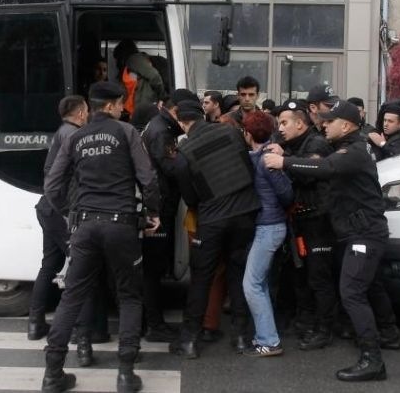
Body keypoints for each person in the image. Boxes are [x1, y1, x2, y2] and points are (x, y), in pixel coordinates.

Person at [264, 99, 398, 382]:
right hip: (359, 232)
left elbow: (325, 168)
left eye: (330, 121)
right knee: (369, 285)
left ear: (346, 125)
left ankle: (373, 360)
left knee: (351, 292)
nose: (324, 124)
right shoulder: (348, 147)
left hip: (365, 234)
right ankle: (389, 334)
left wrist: (283, 162)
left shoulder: (354, 150)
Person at [42, 81, 161, 393]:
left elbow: (53, 186)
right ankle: (125, 373)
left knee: (72, 296)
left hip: (85, 225)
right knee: (129, 296)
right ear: (111, 105)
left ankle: (53, 373)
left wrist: (72, 212)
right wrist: (153, 212)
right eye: (121, 104)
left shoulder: (75, 137)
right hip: (121, 224)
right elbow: (147, 177)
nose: (123, 108)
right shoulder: (126, 132)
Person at [169, 100, 260, 359]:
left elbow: (190, 197)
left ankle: (189, 340)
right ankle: (241, 336)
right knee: (238, 276)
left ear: (182, 122)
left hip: (212, 220)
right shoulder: (231, 132)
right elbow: (247, 168)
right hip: (244, 215)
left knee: (201, 278)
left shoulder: (184, 151)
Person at [274, 99, 338, 349]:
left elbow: (310, 172)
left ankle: (324, 329)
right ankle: (305, 320)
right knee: (300, 275)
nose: (280, 128)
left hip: (319, 221)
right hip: (299, 221)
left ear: (300, 124)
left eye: (284, 123)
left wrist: (285, 159)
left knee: (319, 277)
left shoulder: (317, 144)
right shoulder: (289, 145)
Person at [139, 88, 200, 343]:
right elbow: (172, 168)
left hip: (160, 204)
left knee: (154, 267)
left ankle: (151, 321)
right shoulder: (161, 131)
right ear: (175, 111)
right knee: (152, 269)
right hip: (158, 208)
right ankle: (153, 324)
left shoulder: (161, 126)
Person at [27, 95, 90, 342]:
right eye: (87, 111)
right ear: (81, 114)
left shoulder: (61, 131)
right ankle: (77, 330)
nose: (89, 115)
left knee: (50, 264)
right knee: (79, 266)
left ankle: (35, 323)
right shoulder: (73, 136)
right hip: (59, 210)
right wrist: (67, 213)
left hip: (46, 207)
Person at [241, 110, 293, 357]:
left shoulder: (265, 159)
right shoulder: (263, 156)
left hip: (269, 227)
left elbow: (287, 194)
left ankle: (269, 341)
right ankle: (266, 337)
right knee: (259, 283)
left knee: (251, 284)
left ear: (248, 134)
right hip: (269, 226)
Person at [113, 39, 167, 118]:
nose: (116, 62)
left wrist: (163, 96)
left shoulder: (134, 60)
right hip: (141, 109)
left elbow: (154, 76)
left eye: (117, 58)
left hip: (144, 109)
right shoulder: (131, 67)